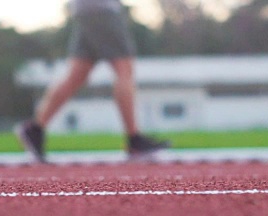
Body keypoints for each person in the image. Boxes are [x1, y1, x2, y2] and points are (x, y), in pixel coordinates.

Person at [15, 0, 170, 163]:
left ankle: (35, 129)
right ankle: (134, 139)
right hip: (101, 9)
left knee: (77, 74)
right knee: (124, 69)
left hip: (86, 10)